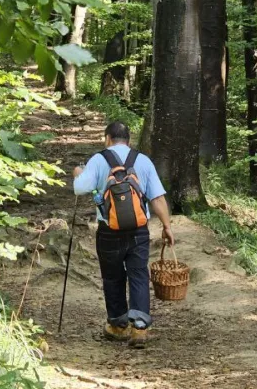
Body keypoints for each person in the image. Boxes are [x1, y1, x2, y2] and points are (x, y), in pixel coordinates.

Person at [72, 121, 175, 348]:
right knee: (138, 274)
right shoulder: (143, 160)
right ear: (128, 140)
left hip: (109, 230)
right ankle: (139, 327)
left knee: (112, 276)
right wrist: (167, 226)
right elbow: (157, 197)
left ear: (107, 138)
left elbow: (80, 189)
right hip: (138, 230)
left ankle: (118, 325)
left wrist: (78, 173)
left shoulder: (99, 159)